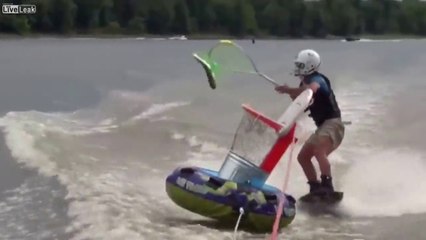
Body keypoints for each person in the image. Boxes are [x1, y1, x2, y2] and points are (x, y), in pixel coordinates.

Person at [274, 49, 344, 196]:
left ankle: (327, 185)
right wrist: (289, 92)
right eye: (297, 65)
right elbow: (299, 102)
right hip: (323, 127)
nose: (297, 68)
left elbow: (311, 90)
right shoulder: (303, 83)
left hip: (333, 124)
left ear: (310, 66)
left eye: (300, 65)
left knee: (319, 151)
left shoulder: (318, 80)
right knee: (303, 157)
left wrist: (289, 90)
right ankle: (315, 187)